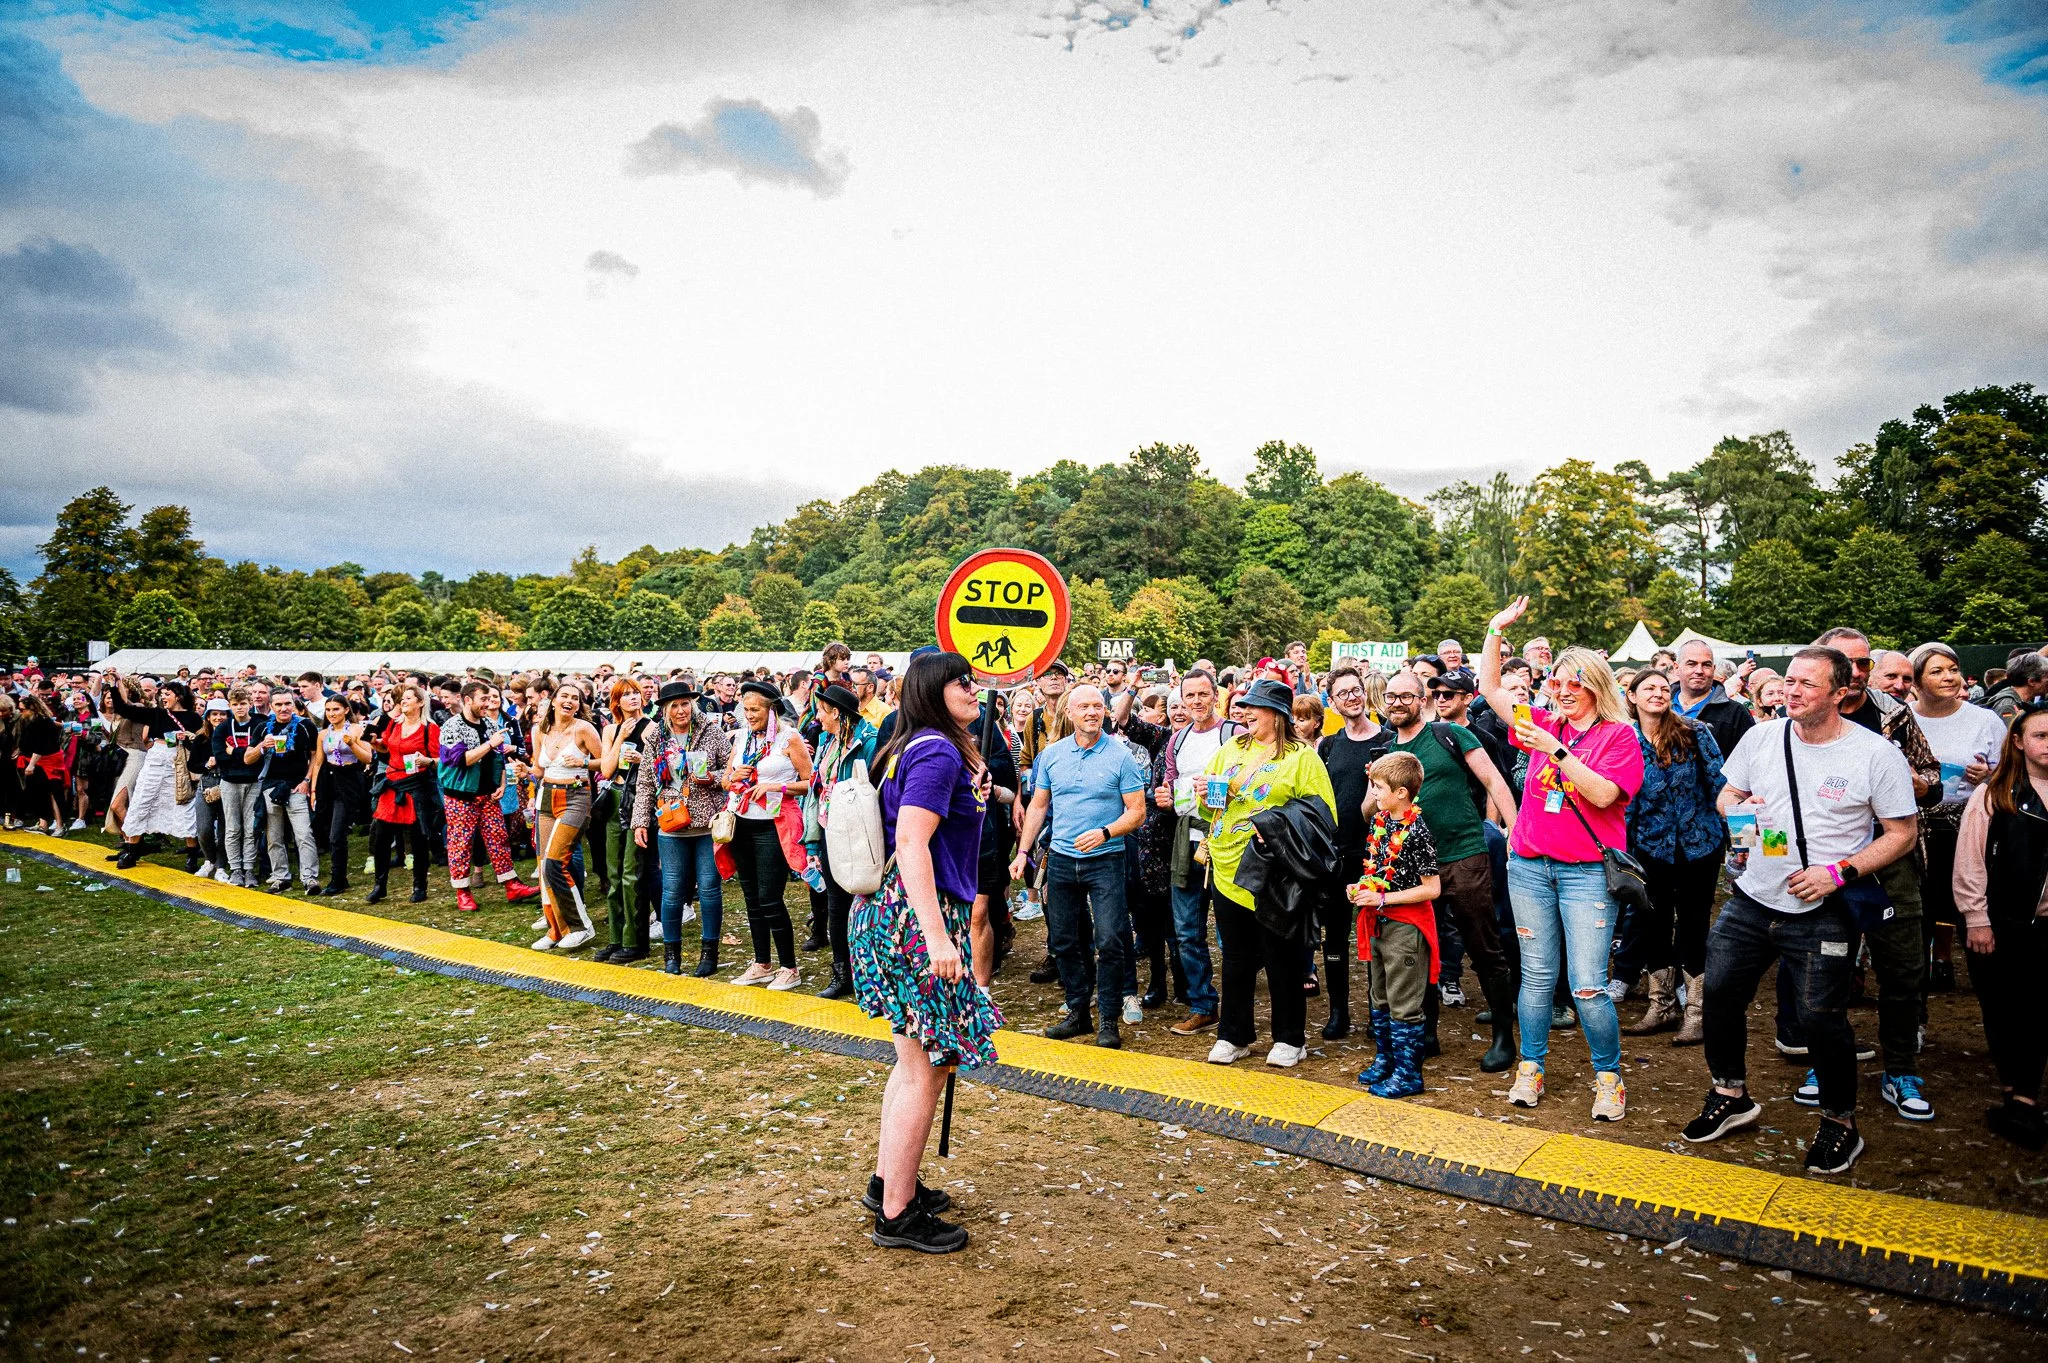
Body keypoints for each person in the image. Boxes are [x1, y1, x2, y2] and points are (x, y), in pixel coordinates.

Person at [1682, 646, 1919, 1174]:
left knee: (1820, 1018)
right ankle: (1731, 1094)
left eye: (1808, 684)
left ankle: (1840, 1123)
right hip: (1751, 897)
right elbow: (1728, 795)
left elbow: (1903, 834)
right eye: (1789, 680)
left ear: (1840, 693)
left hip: (1822, 906)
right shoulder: (1761, 737)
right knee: (1719, 995)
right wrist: (1738, 810)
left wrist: (1839, 873)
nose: (1792, 691)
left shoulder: (1874, 754)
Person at [852, 650, 1001, 1254]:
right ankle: (897, 1213)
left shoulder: (913, 745)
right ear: (933, 692)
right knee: (926, 1068)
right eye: (961, 681)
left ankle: (889, 1181)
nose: (973, 688)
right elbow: (912, 841)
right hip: (916, 917)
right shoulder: (937, 751)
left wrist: (978, 790)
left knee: (910, 1061)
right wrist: (938, 937)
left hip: (890, 912)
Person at [1477, 598, 1644, 1121]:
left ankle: (1609, 1077)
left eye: (1576, 682)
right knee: (1536, 977)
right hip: (1530, 868)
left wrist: (1555, 749)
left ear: (1598, 687)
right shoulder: (1545, 722)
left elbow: (1603, 794)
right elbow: (1490, 690)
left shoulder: (1619, 736)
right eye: (1558, 682)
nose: (1564, 690)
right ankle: (1531, 1067)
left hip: (1587, 874)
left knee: (1588, 984)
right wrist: (1495, 630)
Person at [1774, 627, 1939, 1119]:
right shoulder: (1792, 720)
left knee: (1902, 967)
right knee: (1827, 970)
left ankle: (1900, 1068)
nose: (1859, 672)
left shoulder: (1893, 715)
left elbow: (1932, 780)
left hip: (1890, 860)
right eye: (1848, 663)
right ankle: (1825, 1064)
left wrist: (1912, 782)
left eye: (1865, 662)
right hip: (1823, 862)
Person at [1381, 668, 1520, 1072]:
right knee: (1420, 948)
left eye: (1406, 696)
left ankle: (1503, 1037)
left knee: (1483, 944)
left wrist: (1514, 835)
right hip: (1413, 865)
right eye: (1391, 697)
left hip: (1464, 855)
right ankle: (1426, 1034)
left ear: (1421, 700)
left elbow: (1495, 782)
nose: (1397, 703)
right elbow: (1373, 810)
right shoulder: (1386, 752)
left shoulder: (1450, 735)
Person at [1196, 678, 1337, 1069]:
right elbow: (1212, 809)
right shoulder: (1231, 749)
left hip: (1274, 871)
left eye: (1254, 707)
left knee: (1281, 957)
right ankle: (1234, 1035)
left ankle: (1290, 1038)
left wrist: (1275, 825)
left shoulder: (1302, 757)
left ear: (1276, 714)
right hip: (1227, 868)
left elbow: (1323, 815)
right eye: (1244, 706)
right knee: (1236, 956)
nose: (1246, 713)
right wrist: (1207, 796)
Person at [1011, 684, 1148, 1047]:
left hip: (1106, 859)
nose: (1091, 712)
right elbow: (1039, 806)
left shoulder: (1120, 756)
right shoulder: (1051, 755)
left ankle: (1108, 1019)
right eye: (1084, 706)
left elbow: (1137, 811)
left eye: (1097, 706)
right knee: (1065, 940)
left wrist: (1106, 832)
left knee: (1110, 939)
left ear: (1105, 711)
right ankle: (1078, 1012)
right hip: (1061, 860)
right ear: (1069, 713)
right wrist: (1023, 852)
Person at [1616, 669, 1726, 1045]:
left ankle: (1696, 1012)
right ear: (1632, 696)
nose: (1658, 693)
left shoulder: (1695, 732)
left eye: (1664, 688)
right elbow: (1625, 798)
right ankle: (1661, 1006)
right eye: (1649, 688)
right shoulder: (1625, 739)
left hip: (1699, 845)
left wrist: (1738, 830)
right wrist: (1622, 849)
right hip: (1650, 848)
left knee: (1694, 925)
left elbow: (1720, 784)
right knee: (1653, 924)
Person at [1956, 703, 2048, 1148]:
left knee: (2039, 1009)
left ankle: (2024, 1099)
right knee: (2003, 1009)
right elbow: (1970, 862)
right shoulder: (1995, 795)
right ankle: (2015, 1092)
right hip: (2003, 924)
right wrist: (1976, 918)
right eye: (2041, 736)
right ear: (2018, 742)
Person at [1908, 642, 2009, 993]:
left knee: (1974, 913)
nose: (1949, 677)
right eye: (1937, 671)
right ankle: (1916, 1001)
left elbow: (2010, 775)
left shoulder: (1984, 720)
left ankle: (1991, 995)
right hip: (1914, 834)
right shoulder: (1901, 720)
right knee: (1917, 917)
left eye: (1953, 669)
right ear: (1915, 681)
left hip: (1970, 831)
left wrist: (1989, 777)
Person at [1349, 752, 1442, 1098]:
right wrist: (1362, 888)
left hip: (1405, 927)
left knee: (1404, 1002)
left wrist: (1383, 899)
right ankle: (1386, 1060)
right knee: (1380, 996)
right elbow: (1379, 871)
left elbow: (1432, 888)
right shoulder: (1382, 821)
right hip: (1380, 921)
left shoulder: (1417, 831)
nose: (1373, 792)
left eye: (1378, 786)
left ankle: (1408, 1074)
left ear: (1401, 792)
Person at [632, 680, 733, 976]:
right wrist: (640, 821)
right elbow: (645, 782)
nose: (680, 710)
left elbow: (730, 772)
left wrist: (710, 778)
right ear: (665, 709)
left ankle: (709, 954)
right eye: (674, 705)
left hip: (706, 824)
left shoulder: (711, 731)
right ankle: (672, 956)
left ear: (693, 704)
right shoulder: (656, 738)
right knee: (673, 890)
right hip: (671, 823)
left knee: (710, 889)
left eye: (685, 704)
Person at [1157, 669, 1238, 1036]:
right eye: (1189, 696)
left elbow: (1249, 784)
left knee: (1231, 930)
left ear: (1215, 696)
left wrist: (1222, 792)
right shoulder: (1178, 739)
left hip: (1225, 838)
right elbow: (1171, 785)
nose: (1196, 701)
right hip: (1186, 839)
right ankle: (1203, 1005)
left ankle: (1236, 1007)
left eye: (1203, 694)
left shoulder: (1233, 734)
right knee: (1187, 929)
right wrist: (1164, 797)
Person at [1314, 666, 1392, 1040]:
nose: (1352, 697)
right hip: (1337, 853)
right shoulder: (1328, 746)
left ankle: (1380, 1012)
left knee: (1379, 935)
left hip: (1380, 853)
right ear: (1333, 702)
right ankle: (1338, 1013)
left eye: (1356, 689)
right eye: (1343, 693)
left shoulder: (1389, 740)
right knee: (1334, 936)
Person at [726, 679, 814, 989]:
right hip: (741, 823)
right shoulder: (741, 737)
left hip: (773, 824)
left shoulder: (789, 738)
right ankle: (762, 963)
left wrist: (777, 786)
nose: (749, 715)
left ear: (771, 709)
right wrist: (733, 776)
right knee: (751, 898)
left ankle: (789, 967)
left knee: (769, 898)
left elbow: (810, 782)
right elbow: (725, 780)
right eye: (746, 710)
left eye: (755, 710)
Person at [438, 680, 539, 913]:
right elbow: (460, 760)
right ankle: (463, 891)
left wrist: (501, 783)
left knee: (498, 838)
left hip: (488, 794)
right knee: (461, 843)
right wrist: (489, 744)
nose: (489, 703)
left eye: (491, 698)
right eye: (483, 699)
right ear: (468, 700)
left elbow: (499, 758)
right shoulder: (452, 727)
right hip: (461, 796)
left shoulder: (490, 724)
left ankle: (511, 884)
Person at [807, 683, 879, 997]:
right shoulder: (826, 741)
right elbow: (816, 791)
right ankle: (841, 974)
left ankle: (870, 975)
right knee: (836, 903)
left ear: (836, 712)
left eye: (821, 712)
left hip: (858, 831)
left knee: (864, 901)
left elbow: (875, 788)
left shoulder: (868, 741)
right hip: (829, 829)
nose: (817, 718)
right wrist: (813, 840)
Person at [528, 681, 604, 951]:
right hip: (546, 796)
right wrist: (525, 771)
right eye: (564, 696)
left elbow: (605, 763)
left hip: (575, 797)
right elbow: (538, 769)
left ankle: (581, 927)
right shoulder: (540, 729)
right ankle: (555, 929)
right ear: (553, 700)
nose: (569, 701)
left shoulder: (584, 728)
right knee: (543, 867)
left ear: (579, 705)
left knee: (554, 863)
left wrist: (583, 762)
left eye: (575, 698)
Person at [104, 675, 202, 872]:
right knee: (141, 801)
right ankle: (132, 851)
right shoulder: (157, 714)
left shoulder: (193, 718)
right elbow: (124, 709)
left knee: (184, 805)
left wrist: (187, 738)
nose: (163, 697)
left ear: (178, 696)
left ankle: (192, 856)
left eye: (167, 694)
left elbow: (201, 742)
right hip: (155, 760)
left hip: (179, 763)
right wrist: (115, 684)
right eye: (162, 694)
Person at [595, 679, 657, 963]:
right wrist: (621, 737)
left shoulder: (652, 727)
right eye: (626, 694)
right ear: (616, 701)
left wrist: (641, 759)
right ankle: (616, 938)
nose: (633, 698)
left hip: (638, 799)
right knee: (614, 873)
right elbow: (607, 770)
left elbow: (660, 768)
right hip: (614, 799)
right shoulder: (610, 729)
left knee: (632, 873)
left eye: (636, 693)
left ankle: (635, 941)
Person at [366, 684, 439, 905]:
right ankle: (379, 886)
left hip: (415, 786)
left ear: (421, 702)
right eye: (402, 699)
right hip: (392, 784)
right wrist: (375, 743)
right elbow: (386, 748)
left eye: (408, 698)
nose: (403, 701)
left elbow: (440, 760)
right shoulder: (395, 724)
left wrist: (426, 761)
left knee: (417, 839)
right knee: (381, 837)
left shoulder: (430, 728)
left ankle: (419, 886)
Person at [251, 692, 320, 893]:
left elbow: (315, 756)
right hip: (271, 788)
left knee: (304, 834)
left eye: (288, 703)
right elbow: (247, 758)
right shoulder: (263, 728)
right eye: (279, 704)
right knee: (273, 836)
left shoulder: (305, 726)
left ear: (294, 705)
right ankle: (281, 877)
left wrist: (307, 780)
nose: (284, 708)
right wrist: (262, 746)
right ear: (271, 706)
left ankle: (310, 878)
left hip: (297, 787)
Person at [306, 696, 371, 896]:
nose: (332, 714)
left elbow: (368, 757)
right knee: (328, 830)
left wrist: (352, 745)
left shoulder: (356, 729)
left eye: (336, 709)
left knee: (337, 834)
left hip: (349, 779)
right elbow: (318, 762)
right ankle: (339, 877)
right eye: (328, 710)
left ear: (345, 710)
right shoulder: (323, 734)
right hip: (328, 780)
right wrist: (314, 790)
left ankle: (338, 879)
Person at [210, 688, 266, 888]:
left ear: (250, 704)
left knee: (251, 828)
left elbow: (260, 754)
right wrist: (246, 754)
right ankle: (235, 869)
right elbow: (220, 757)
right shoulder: (223, 728)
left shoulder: (259, 724)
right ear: (230, 706)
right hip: (229, 782)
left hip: (254, 781)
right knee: (233, 828)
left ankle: (249, 868)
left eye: (243, 704)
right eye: (235, 704)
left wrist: (234, 751)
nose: (239, 708)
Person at [1672, 640, 1756, 762]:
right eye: (1691, 664)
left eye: (1706, 665)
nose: (1699, 671)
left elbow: (1750, 760)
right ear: (1676, 668)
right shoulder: (1658, 707)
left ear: (1713, 669)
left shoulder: (1735, 713)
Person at [1985, 654, 2047, 720]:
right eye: (2046, 677)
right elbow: (2008, 726)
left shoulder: (2022, 702)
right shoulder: (2007, 705)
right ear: (2032, 681)